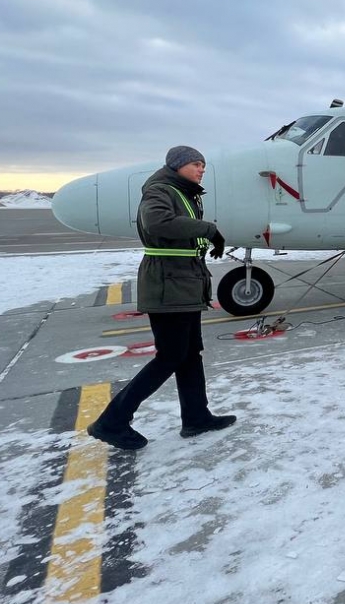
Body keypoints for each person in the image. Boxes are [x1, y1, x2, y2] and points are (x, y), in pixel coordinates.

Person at [87, 145, 236, 450]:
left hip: (184, 281)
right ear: (178, 165)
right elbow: (157, 223)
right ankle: (111, 421)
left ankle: (196, 416)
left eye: (203, 165)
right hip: (168, 283)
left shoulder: (183, 192)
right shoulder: (160, 190)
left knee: (190, 353)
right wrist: (209, 229)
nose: (201, 169)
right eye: (196, 164)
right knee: (170, 356)